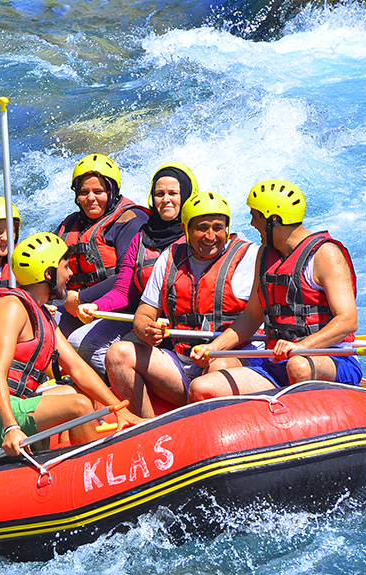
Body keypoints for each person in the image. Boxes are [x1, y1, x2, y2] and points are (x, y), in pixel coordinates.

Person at [0, 232, 142, 456]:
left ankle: (63, 455)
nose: (70, 273)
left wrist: (119, 408)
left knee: (80, 393)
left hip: (16, 402)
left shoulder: (41, 314)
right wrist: (11, 428)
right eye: (65, 267)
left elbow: (77, 368)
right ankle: (90, 465)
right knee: (80, 406)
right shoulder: (11, 308)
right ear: (48, 273)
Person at [188, 179, 361, 400]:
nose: (252, 223)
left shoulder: (325, 254)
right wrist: (213, 347)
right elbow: (252, 316)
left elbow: (347, 321)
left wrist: (302, 346)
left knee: (298, 366)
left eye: (255, 216)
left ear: (274, 220)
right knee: (206, 381)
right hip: (276, 360)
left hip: (331, 359)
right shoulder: (264, 255)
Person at [105, 192, 260, 417]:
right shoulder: (170, 257)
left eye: (218, 228)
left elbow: (257, 317)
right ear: (186, 230)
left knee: (218, 366)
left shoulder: (250, 257)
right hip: (182, 365)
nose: (211, 236)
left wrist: (215, 349)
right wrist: (146, 329)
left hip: (232, 362)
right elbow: (144, 313)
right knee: (117, 354)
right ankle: (146, 426)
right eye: (202, 228)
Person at [75, 162, 197, 376]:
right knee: (80, 342)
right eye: (159, 194)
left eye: (173, 193)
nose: (165, 199)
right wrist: (95, 306)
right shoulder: (141, 238)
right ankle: (121, 385)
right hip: (144, 318)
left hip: (183, 324)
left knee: (119, 350)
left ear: (187, 196)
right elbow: (123, 291)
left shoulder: (197, 238)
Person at [54, 154, 148, 342]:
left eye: (98, 191)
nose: (91, 198)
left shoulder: (130, 220)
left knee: (79, 341)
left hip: (121, 309)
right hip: (76, 306)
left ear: (112, 192)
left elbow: (129, 278)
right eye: (84, 192)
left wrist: (82, 298)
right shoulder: (70, 223)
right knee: (37, 324)